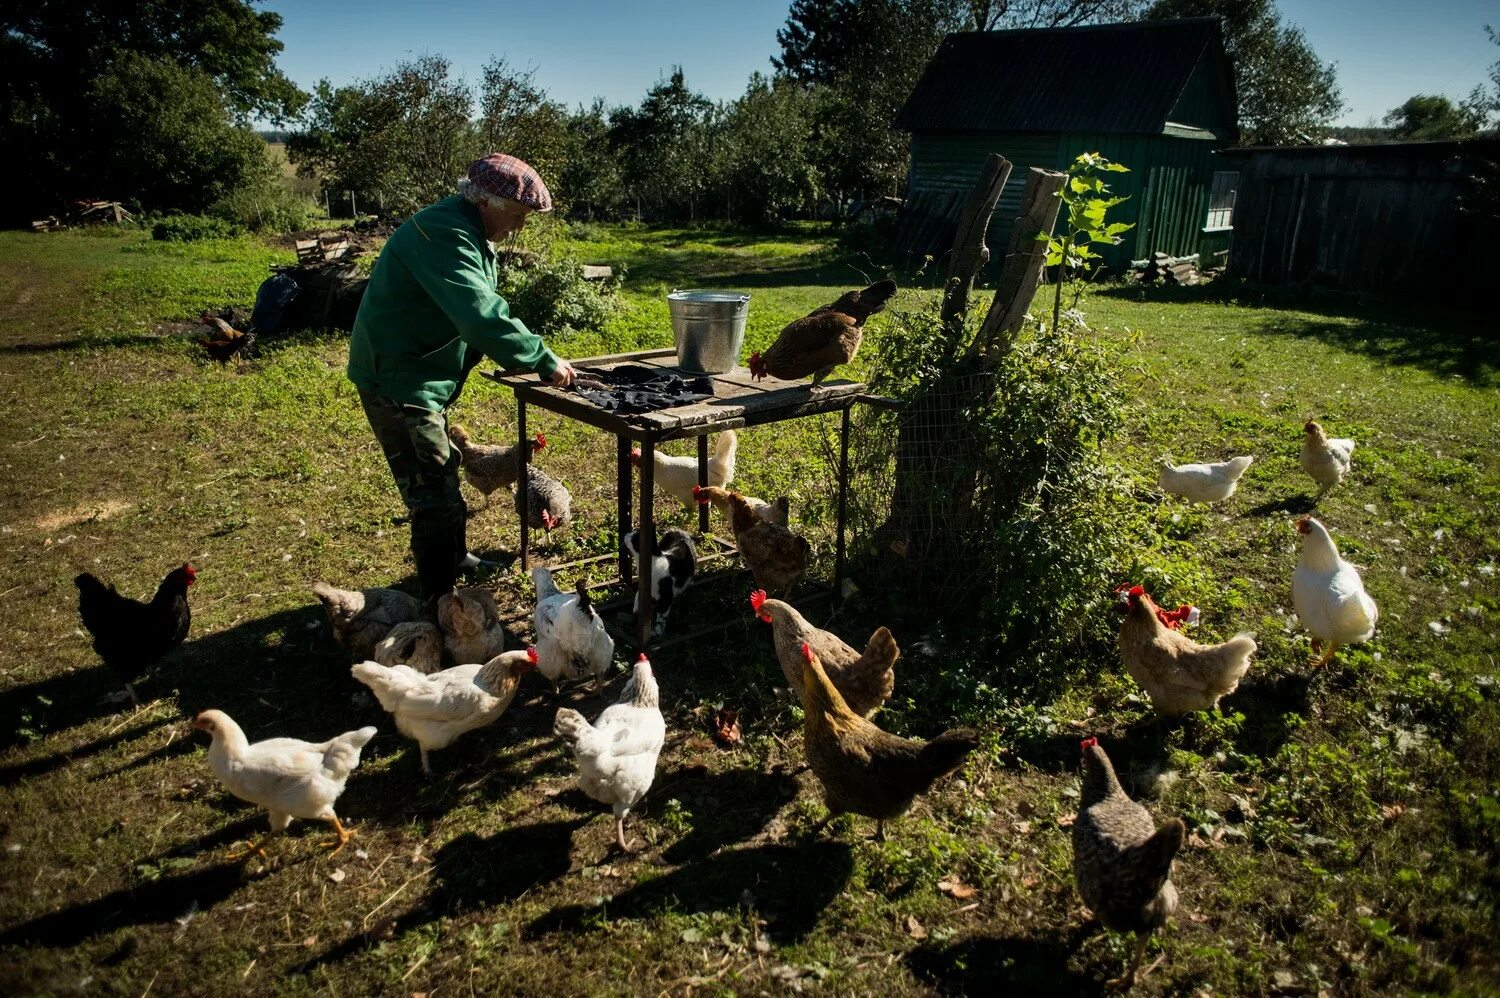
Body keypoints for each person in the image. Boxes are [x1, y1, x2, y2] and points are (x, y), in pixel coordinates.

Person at [347, 153, 576, 605]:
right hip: (399, 381)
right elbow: (478, 312)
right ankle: (438, 600)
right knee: (434, 491)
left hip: (419, 374)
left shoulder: (466, 228)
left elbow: (470, 306)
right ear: (487, 202)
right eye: (517, 216)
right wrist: (541, 358)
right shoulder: (446, 234)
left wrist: (505, 350)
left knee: (446, 475)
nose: (519, 227)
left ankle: (454, 561)